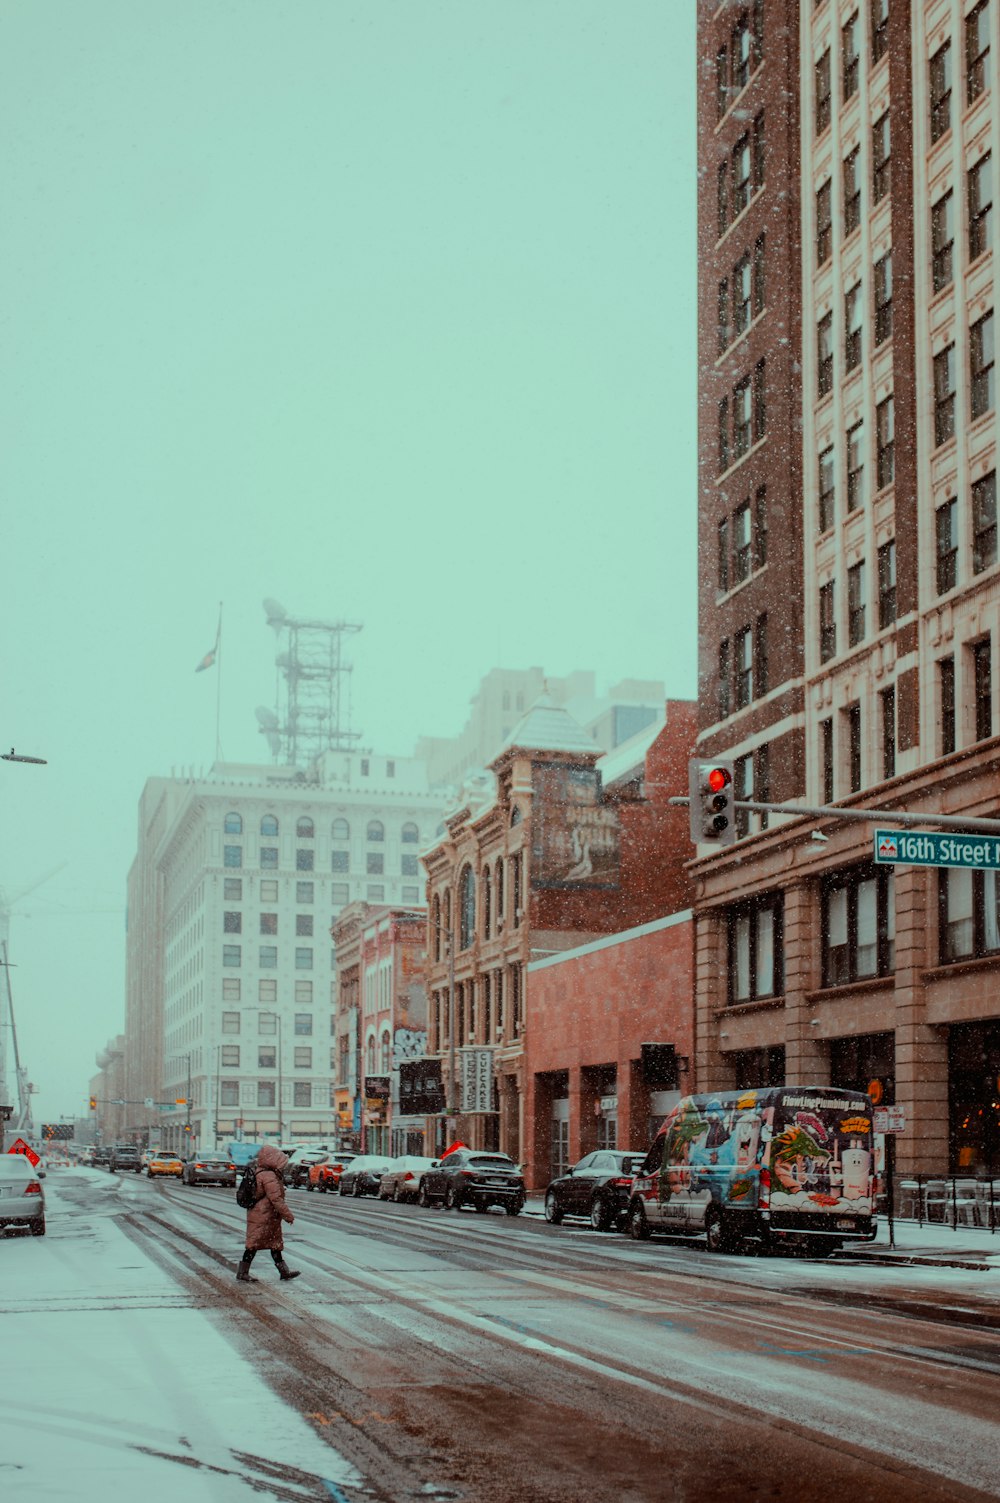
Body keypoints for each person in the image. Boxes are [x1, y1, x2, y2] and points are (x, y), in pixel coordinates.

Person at [236, 1143, 300, 1283]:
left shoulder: (260, 1172)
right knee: (254, 1245)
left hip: (265, 1215)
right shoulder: (269, 1175)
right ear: (272, 1159)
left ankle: (284, 1272)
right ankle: (243, 1272)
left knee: (274, 1244)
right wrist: (287, 1215)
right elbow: (275, 1198)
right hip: (263, 1216)